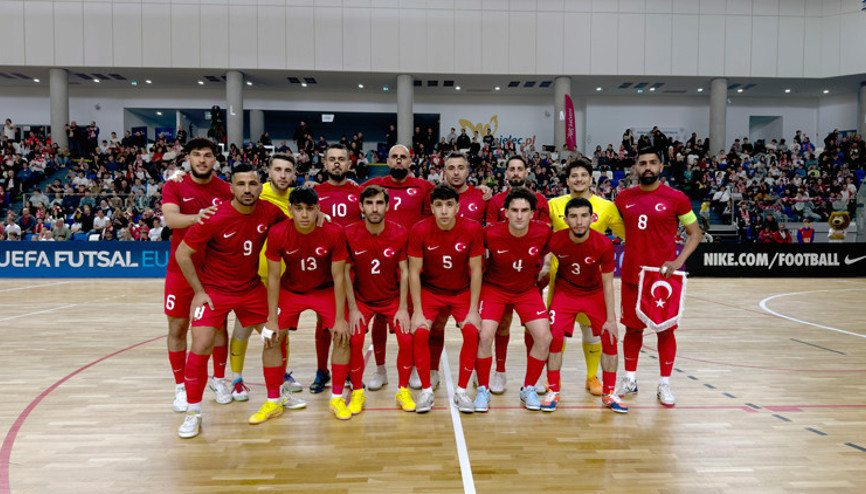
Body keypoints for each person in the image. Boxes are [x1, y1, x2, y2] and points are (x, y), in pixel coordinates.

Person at [174, 162, 286, 438]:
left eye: (252, 184)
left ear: (260, 186)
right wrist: (199, 291)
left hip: (250, 288)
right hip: (215, 290)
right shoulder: (216, 216)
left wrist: (320, 218)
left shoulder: (270, 212)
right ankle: (193, 412)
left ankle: (275, 399)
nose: (247, 189)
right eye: (241, 184)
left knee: (276, 335)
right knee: (200, 343)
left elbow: (295, 226)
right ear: (231, 188)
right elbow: (182, 254)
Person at [614, 146, 703, 407]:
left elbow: (695, 233)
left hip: (663, 278)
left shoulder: (677, 198)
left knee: (665, 331)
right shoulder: (623, 198)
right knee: (632, 328)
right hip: (633, 274)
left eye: (653, 162)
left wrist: (678, 261)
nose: (648, 167)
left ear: (661, 167)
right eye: (642, 163)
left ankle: (664, 383)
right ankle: (629, 379)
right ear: (636, 168)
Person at [261, 186, 355, 420]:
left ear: (318, 210)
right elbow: (273, 277)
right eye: (299, 209)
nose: (304, 215)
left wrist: (342, 319)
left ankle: (336, 400)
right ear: (290, 209)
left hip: (324, 290)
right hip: (291, 290)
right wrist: (272, 319)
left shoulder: (334, 232)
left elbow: (339, 276)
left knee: (343, 335)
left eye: (310, 209)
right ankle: (273, 400)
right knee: (270, 337)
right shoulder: (277, 233)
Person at [161, 138, 233, 413]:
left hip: (214, 271)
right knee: (177, 328)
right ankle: (180, 386)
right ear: (188, 159)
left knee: (218, 328)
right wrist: (199, 217)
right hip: (180, 270)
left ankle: (218, 379)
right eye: (196, 155)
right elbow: (171, 220)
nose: (202, 160)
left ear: (215, 159)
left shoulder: (226, 189)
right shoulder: (174, 185)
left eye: (207, 155)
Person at [538, 197, 627, 413]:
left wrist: (611, 319)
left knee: (610, 337)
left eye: (584, 216)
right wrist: (544, 269)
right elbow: (540, 257)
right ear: (566, 219)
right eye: (574, 216)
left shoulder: (603, 244)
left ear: (591, 218)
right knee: (555, 337)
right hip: (565, 293)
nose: (579, 221)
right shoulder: (555, 240)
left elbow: (608, 283)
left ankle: (609, 393)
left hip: (593, 294)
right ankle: (554, 391)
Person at [362, 144, 435, 388]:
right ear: (388, 160)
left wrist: (482, 190)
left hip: (411, 259)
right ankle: (380, 370)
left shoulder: (424, 187)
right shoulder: (375, 184)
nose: (399, 161)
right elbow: (351, 193)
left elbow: (452, 195)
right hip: (380, 259)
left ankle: (413, 367)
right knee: (380, 319)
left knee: (412, 315)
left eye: (403, 157)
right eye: (394, 157)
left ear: (410, 161)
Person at [474, 188, 552, 413]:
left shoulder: (543, 232)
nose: (519, 215)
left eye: (524, 211)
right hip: (494, 289)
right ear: (505, 212)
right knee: (485, 335)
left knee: (544, 338)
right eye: (514, 210)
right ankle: (482, 390)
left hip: (526, 290)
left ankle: (528, 388)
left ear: (532, 213)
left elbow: (554, 248)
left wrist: (546, 264)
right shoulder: (490, 233)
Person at [408, 184, 484, 413]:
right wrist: (418, 312)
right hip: (430, 291)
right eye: (439, 205)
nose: (444, 211)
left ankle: (462, 392)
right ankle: (426, 391)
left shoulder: (472, 228)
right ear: (431, 207)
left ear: (457, 207)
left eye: (449, 205)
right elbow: (413, 271)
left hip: (461, 291)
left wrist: (473, 310)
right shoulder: (420, 229)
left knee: (472, 330)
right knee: (420, 331)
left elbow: (477, 270)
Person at [344, 185, 415, 411]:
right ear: (361, 207)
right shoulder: (350, 233)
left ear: (387, 205)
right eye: (369, 203)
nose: (374, 209)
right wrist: (353, 309)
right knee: (354, 341)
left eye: (379, 203)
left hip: (391, 299)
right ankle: (357, 392)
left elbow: (405, 271)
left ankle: (402, 390)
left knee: (406, 339)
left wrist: (403, 308)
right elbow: (344, 272)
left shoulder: (400, 232)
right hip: (362, 300)